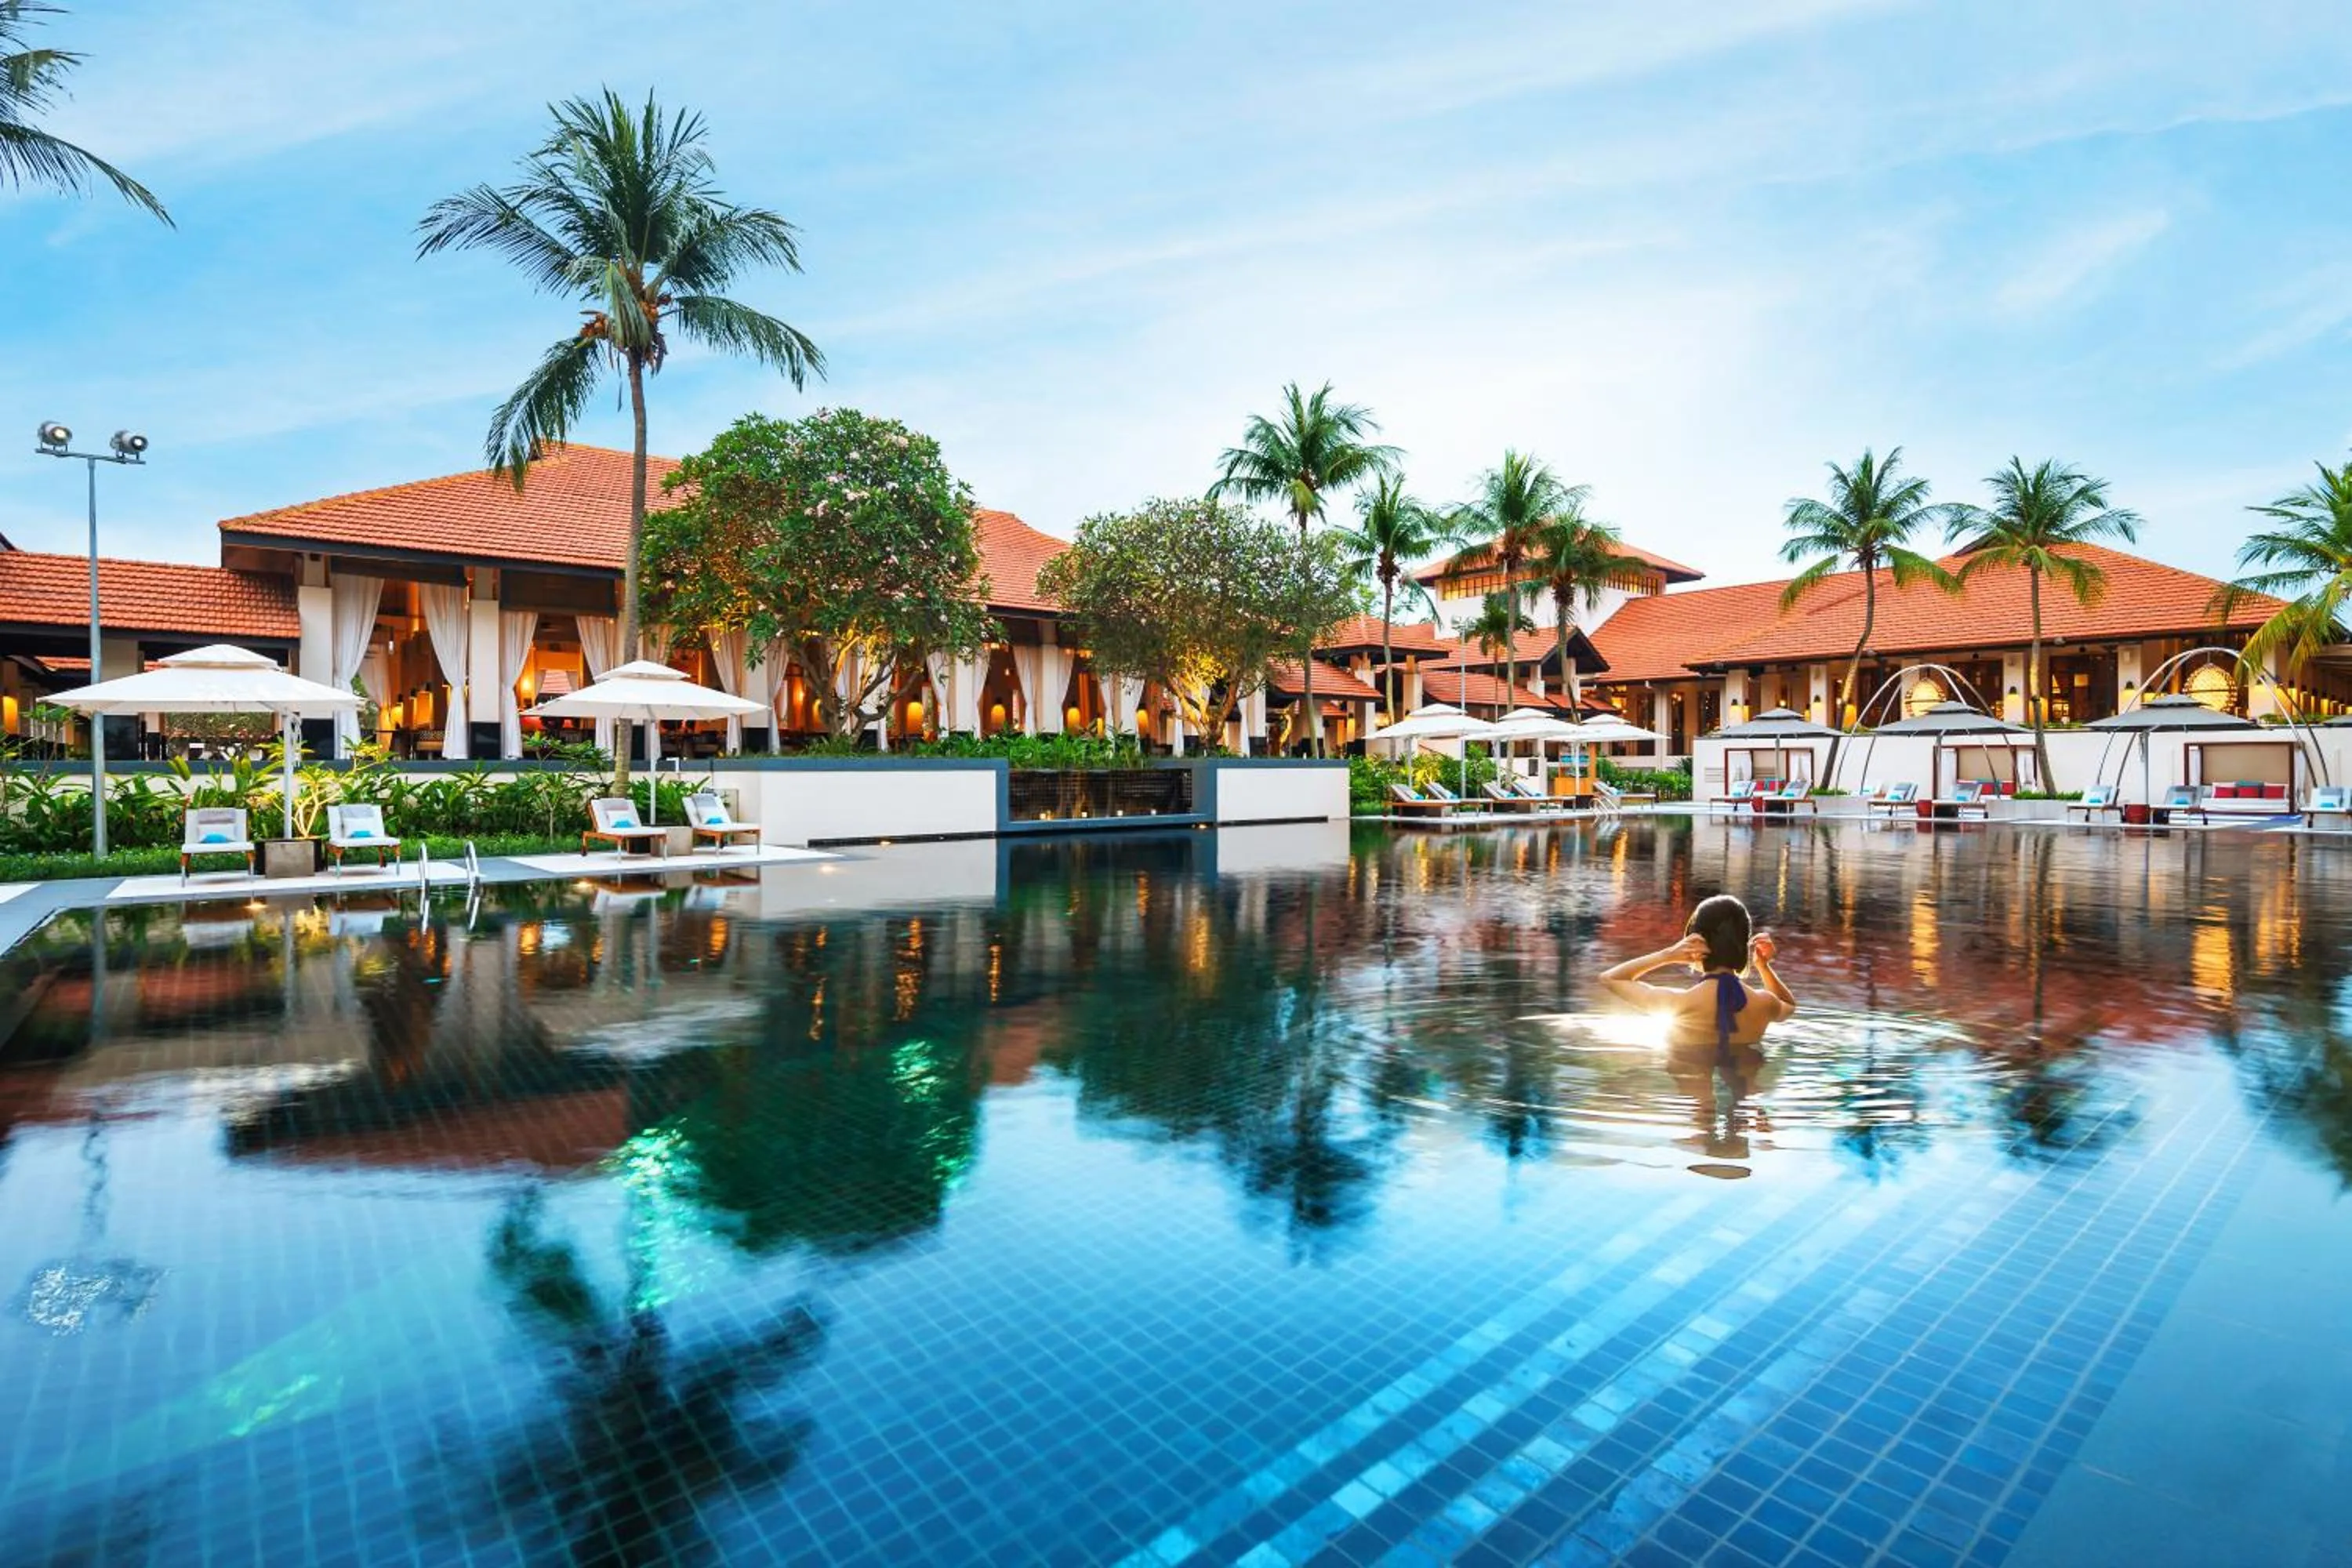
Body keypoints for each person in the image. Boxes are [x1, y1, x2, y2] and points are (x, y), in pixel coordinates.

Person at [1599, 894, 1797, 1100]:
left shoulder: (1678, 1003)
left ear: (1695, 941)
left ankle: (1704, 1118)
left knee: (1699, 1109)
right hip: (1746, 1069)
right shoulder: (1764, 1003)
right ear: (1743, 946)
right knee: (1742, 1106)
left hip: (1692, 1068)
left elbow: (1611, 979)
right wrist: (1763, 966)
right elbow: (1789, 1005)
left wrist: (1668, 955)